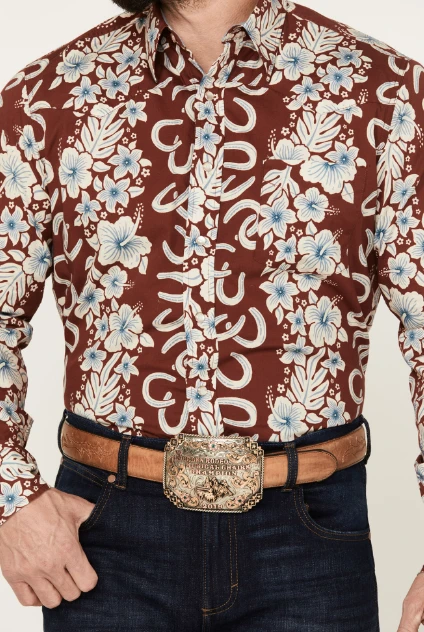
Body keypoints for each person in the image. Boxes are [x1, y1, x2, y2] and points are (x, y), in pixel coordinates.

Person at [0, 0, 423, 629]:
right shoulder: (48, 96)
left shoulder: (384, 94)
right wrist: (10, 501)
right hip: (104, 540)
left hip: (309, 544)